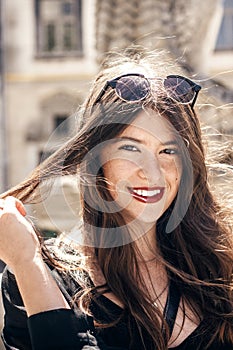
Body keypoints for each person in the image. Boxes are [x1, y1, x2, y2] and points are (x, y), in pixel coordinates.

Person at [0, 47, 232, 350]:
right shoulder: (41, 277)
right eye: (130, 148)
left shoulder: (220, 266)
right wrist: (27, 263)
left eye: (169, 151)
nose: (152, 173)